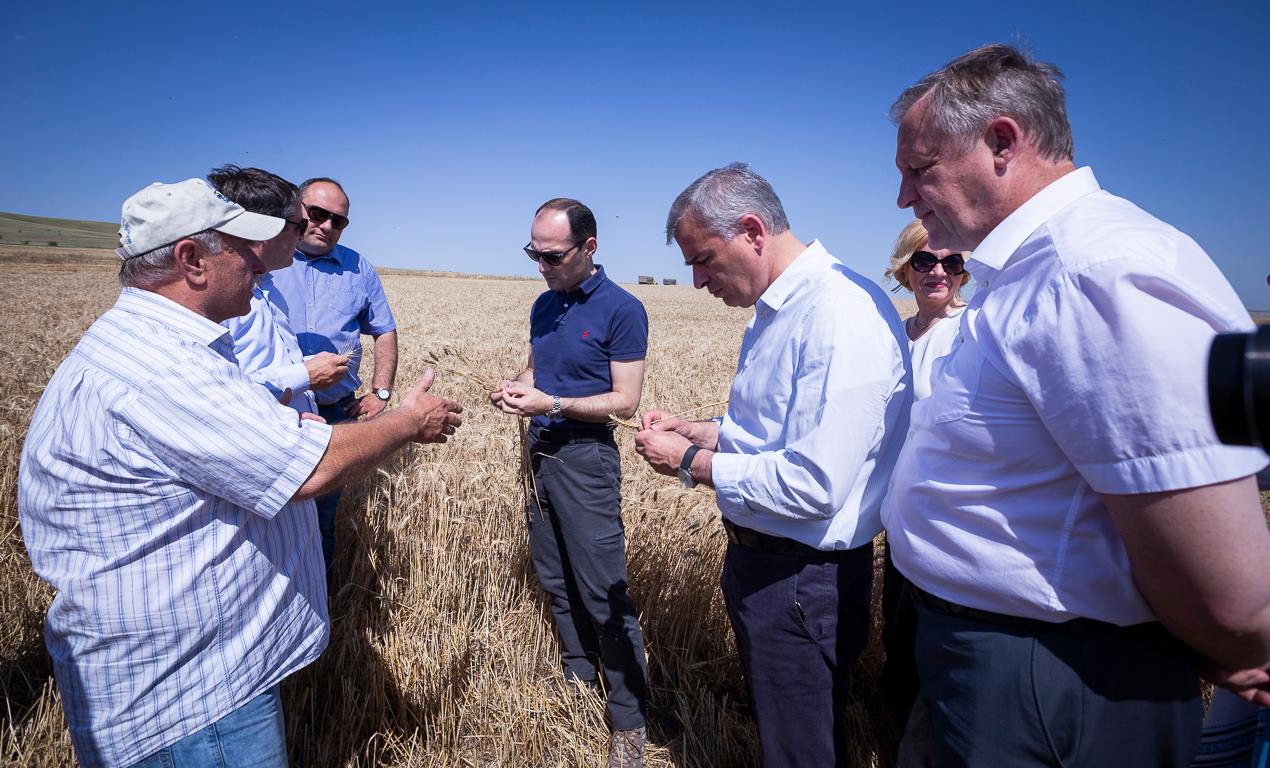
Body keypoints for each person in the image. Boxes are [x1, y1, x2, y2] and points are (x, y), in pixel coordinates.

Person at [884, 43, 1270, 766]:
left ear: (1002, 142)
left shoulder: (1092, 273)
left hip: (1053, 676)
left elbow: (1221, 578)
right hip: (999, 661)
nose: (905, 196)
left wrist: (1232, 642)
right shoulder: (1031, 271)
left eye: (919, 168)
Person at [18, 178, 464, 768]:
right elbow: (309, 469)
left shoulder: (151, 344)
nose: (259, 261)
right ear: (191, 260)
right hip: (192, 701)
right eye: (242, 248)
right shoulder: (163, 366)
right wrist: (407, 421)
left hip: (191, 679)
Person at [634, 163, 911, 766]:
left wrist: (691, 461)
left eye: (704, 259)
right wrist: (704, 430)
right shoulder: (780, 309)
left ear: (753, 231)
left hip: (803, 577)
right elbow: (776, 433)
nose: (697, 280)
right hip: (770, 566)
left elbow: (814, 484)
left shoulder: (838, 313)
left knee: (801, 750)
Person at [489, 198, 652, 767]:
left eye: (553, 256)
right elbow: (540, 370)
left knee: (603, 589)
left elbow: (625, 401)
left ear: (589, 247)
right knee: (556, 578)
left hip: (586, 458)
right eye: (534, 253)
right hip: (540, 451)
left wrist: (551, 403)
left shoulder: (622, 309)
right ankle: (579, 682)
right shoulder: (544, 304)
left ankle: (630, 720)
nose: (542, 266)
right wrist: (516, 388)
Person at [269, 177, 399, 570]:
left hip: (333, 412)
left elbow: (384, 330)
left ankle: (321, 599)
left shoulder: (358, 267)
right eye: (318, 214)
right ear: (297, 210)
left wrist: (381, 392)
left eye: (338, 221)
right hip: (273, 411)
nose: (326, 226)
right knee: (268, 516)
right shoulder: (267, 258)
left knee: (322, 519)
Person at [207, 165, 348, 415]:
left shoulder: (269, 288)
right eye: (299, 226)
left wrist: (304, 370)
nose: (302, 236)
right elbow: (216, 394)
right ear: (266, 228)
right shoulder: (218, 298)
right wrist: (305, 374)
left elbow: (262, 365)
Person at [883, 219, 970, 400]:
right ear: (905, 267)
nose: (939, 272)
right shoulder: (893, 334)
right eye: (924, 261)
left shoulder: (970, 329)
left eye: (952, 263)